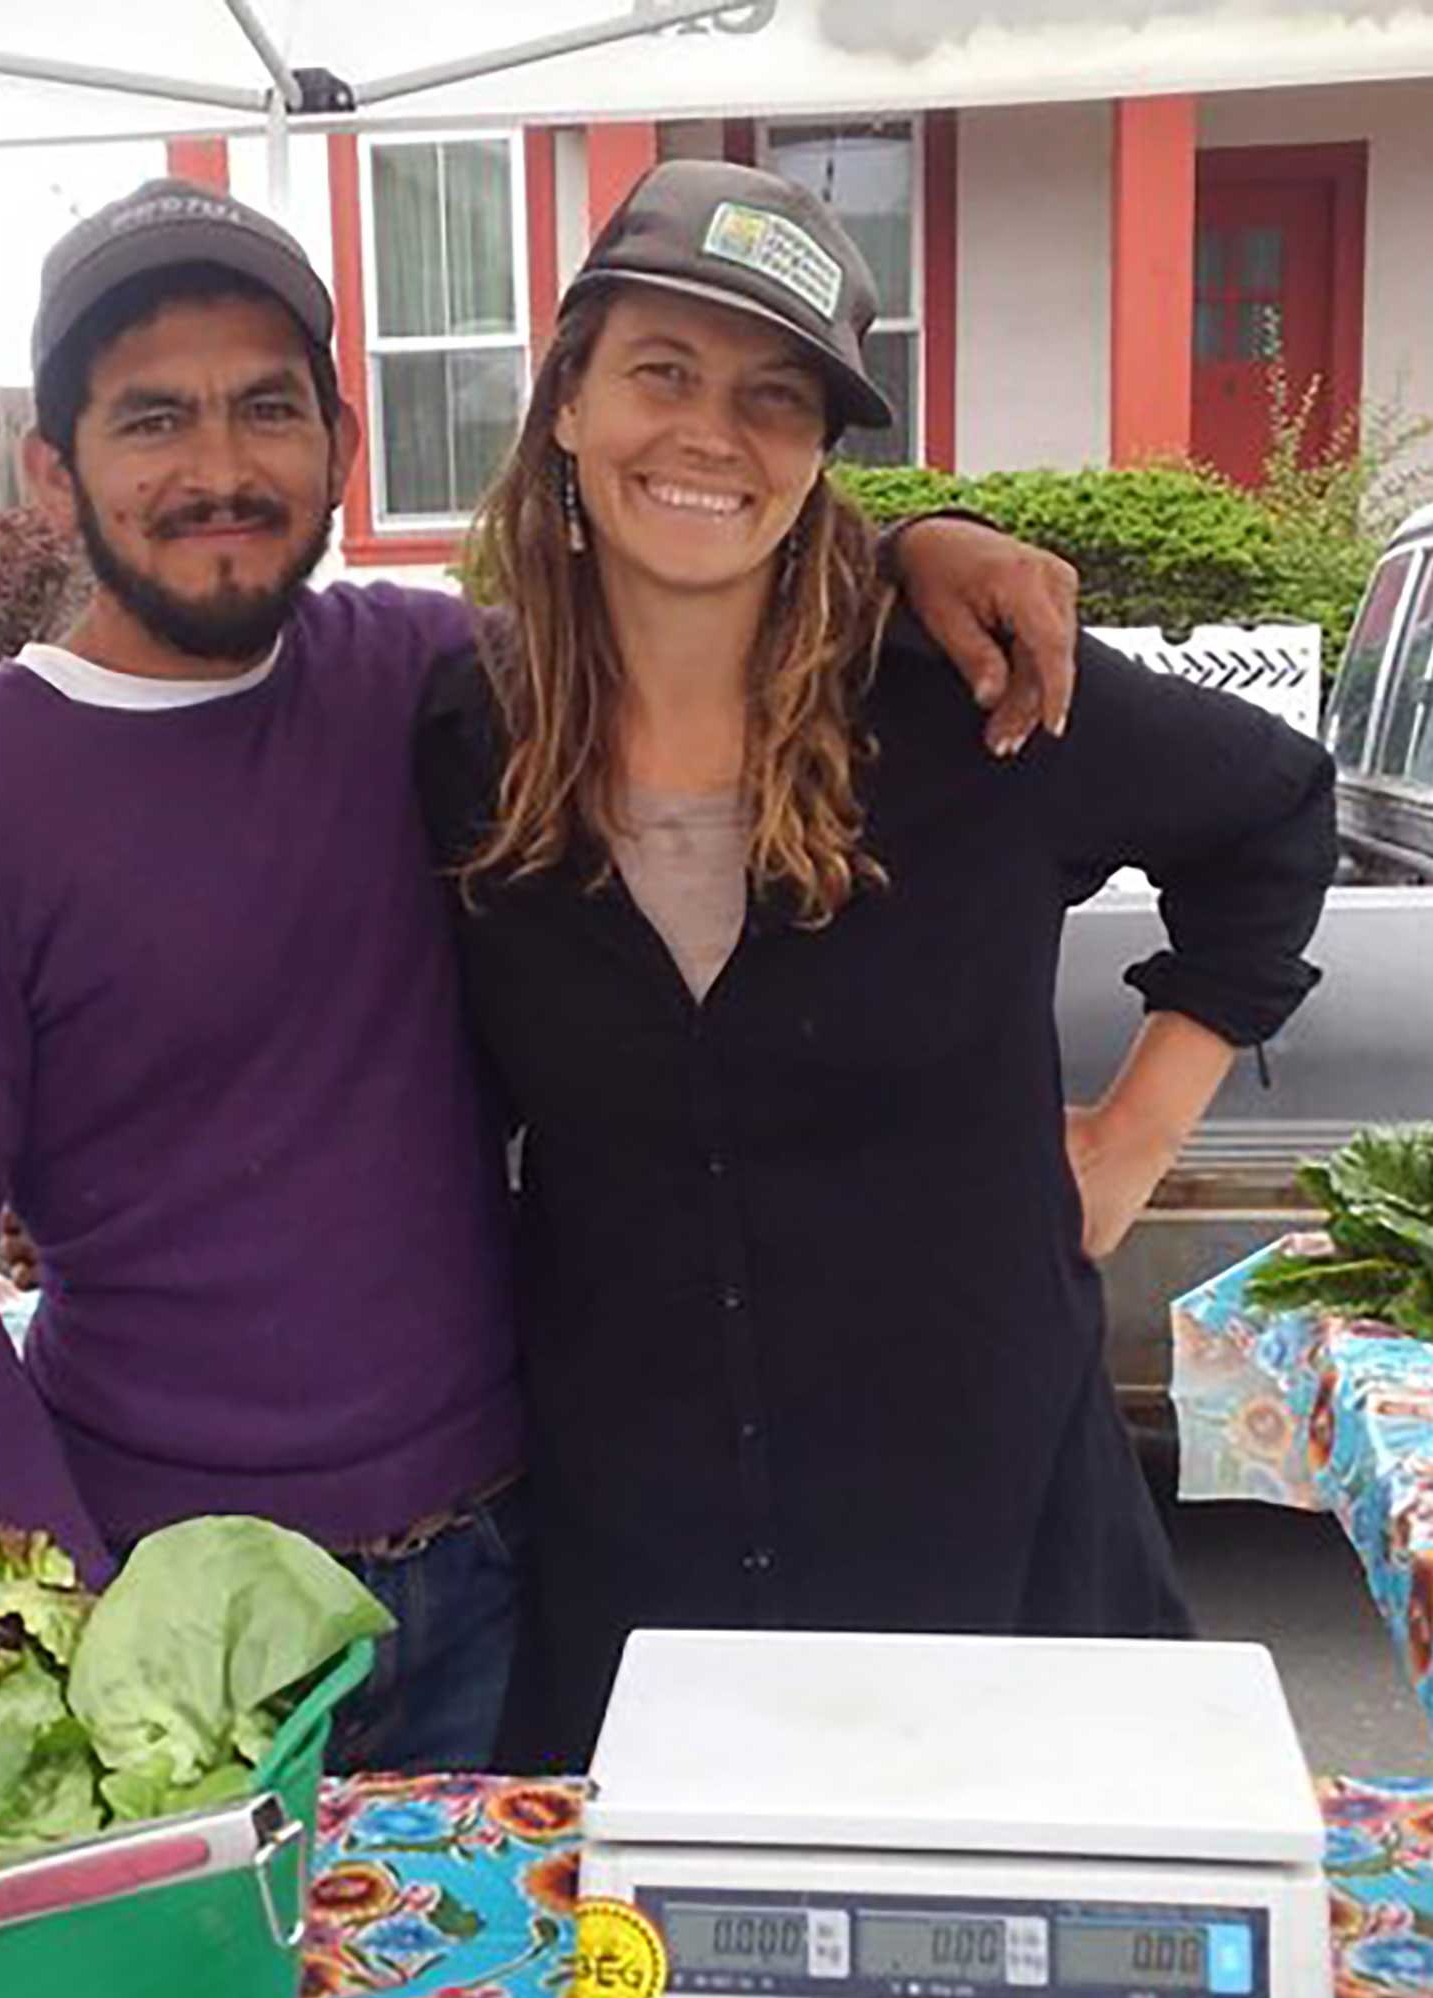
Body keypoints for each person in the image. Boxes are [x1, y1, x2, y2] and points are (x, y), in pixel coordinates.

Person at [0, 176, 1084, 1776]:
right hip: (188, 1616)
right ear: (53, 471)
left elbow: (678, 571)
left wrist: (907, 546)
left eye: (267, 410)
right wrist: (81, 1626)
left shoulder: (428, 684)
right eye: (154, 422)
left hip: (513, 1568)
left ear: (340, 447)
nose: (219, 468)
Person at [413, 161, 1340, 1772]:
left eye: (774, 397)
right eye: (661, 373)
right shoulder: (464, 741)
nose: (711, 433)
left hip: (989, 1549)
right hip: (639, 1571)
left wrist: (1135, 1134)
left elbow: (1272, 812)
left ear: (821, 456)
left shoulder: (971, 692)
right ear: (564, 400)